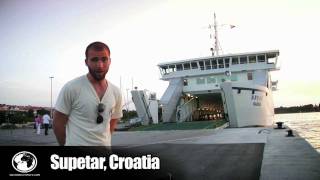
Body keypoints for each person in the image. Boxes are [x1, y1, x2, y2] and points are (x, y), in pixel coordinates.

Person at [53, 41, 123, 146]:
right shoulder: (72, 88)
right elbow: (58, 124)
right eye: (94, 60)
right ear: (86, 62)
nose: (100, 65)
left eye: (104, 59)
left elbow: (111, 124)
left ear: (110, 61)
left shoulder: (116, 92)